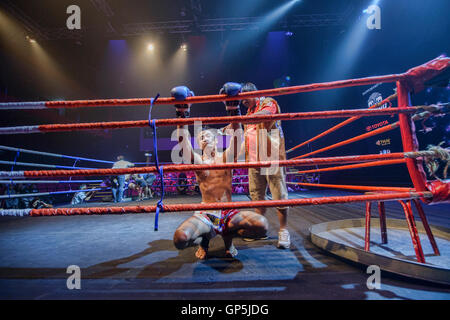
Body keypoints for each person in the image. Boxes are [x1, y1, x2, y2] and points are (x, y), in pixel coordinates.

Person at [171, 84, 268, 260]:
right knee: (180, 238)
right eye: (200, 138)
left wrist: (233, 107)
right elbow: (183, 143)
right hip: (206, 214)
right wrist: (182, 112)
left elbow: (238, 137)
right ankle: (205, 241)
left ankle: (228, 241)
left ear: (216, 141)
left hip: (229, 213)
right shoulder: (199, 161)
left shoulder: (226, 158)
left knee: (262, 225)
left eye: (207, 136)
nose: (203, 139)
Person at [240, 82, 291, 249]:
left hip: (271, 156)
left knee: (279, 194)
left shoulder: (267, 101)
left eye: (244, 97)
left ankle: (283, 231)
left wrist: (244, 118)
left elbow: (266, 114)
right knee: (256, 196)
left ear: (253, 92)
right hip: (253, 160)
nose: (243, 102)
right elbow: (248, 137)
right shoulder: (248, 111)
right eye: (240, 99)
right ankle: (260, 229)